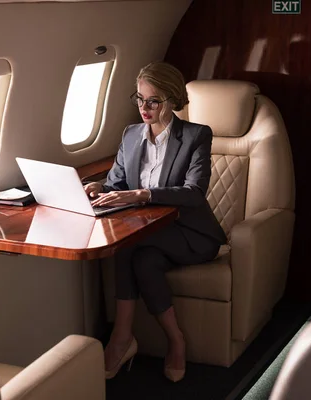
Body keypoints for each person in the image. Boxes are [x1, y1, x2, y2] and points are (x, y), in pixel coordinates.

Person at [84, 61, 227, 382]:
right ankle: (176, 339)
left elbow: (194, 192)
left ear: (172, 100)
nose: (143, 108)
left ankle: (121, 338)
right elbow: (118, 183)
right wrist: (101, 188)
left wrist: (141, 195)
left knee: (126, 245)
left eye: (153, 100)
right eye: (139, 98)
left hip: (191, 236)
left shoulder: (196, 136)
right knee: (144, 261)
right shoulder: (131, 135)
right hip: (151, 237)